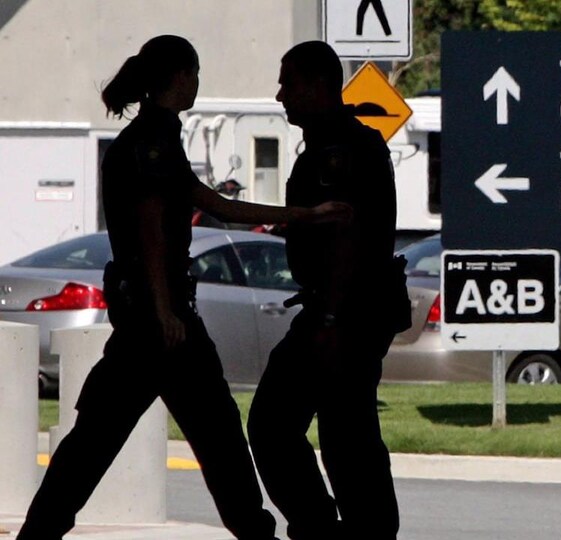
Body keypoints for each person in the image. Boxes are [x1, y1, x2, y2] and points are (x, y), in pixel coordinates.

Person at [17, 35, 351, 540]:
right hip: (161, 323)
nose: (198, 82)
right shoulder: (152, 141)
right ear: (180, 76)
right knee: (212, 438)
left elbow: (218, 205)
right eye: (195, 73)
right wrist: (164, 310)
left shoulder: (154, 139)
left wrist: (306, 214)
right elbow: (152, 229)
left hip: (150, 320)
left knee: (102, 441)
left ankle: (38, 533)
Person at [247, 41, 409, 540]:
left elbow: (346, 237)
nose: (280, 95)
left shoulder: (339, 153)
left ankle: (333, 529)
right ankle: (338, 529)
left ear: (318, 86)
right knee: (339, 431)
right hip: (342, 311)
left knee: (311, 430)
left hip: (345, 315)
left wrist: (331, 319)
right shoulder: (335, 144)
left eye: (289, 83)